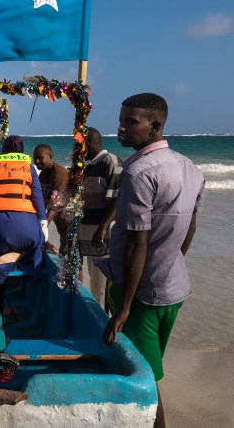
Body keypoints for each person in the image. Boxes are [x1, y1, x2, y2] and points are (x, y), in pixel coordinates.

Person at [102, 93, 204, 428]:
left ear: (155, 126)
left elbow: (136, 244)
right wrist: (168, 262)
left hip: (142, 295)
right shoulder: (190, 168)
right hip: (175, 287)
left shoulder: (139, 172)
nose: (121, 127)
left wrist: (124, 307)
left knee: (147, 382)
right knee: (152, 369)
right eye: (122, 119)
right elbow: (188, 227)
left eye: (131, 121)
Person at [0, 135, 47, 298]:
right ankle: (20, 253)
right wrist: (43, 222)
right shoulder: (29, 168)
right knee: (38, 242)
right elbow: (37, 198)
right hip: (24, 226)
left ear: (3, 149)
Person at [79, 127, 122, 309]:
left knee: (103, 289)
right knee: (95, 288)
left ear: (88, 143)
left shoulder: (110, 161)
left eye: (79, 146)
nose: (77, 151)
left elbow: (119, 200)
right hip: (88, 238)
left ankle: (105, 330)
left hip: (103, 240)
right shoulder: (88, 167)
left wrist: (103, 227)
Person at [33, 144, 69, 253]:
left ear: (50, 156)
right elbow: (41, 202)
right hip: (62, 228)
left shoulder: (60, 173)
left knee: (71, 262)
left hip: (71, 228)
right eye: (35, 158)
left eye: (40, 158)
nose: (37, 161)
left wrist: (43, 226)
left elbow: (57, 204)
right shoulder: (43, 174)